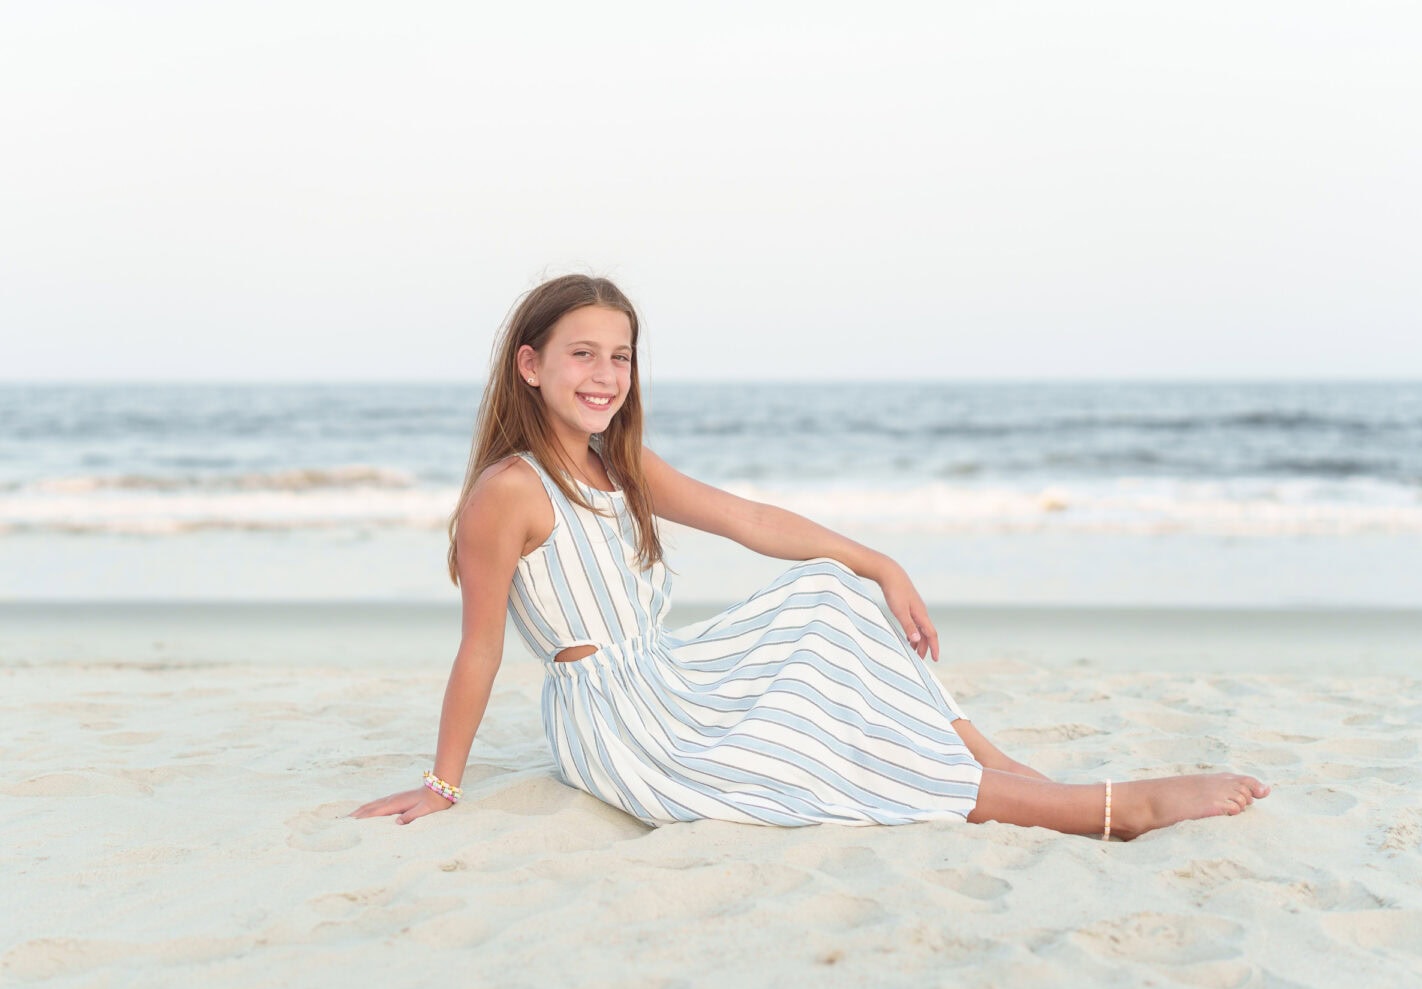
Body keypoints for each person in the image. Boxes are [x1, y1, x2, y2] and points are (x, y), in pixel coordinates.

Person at [353, 274, 1269, 838]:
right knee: (821, 751)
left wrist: (878, 563)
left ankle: (1011, 773)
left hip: (667, 672)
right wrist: (443, 784)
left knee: (827, 595)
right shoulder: (507, 493)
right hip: (620, 720)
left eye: (621, 358)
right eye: (581, 355)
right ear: (530, 366)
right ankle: (1107, 810)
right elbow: (477, 649)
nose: (604, 376)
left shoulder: (614, 463)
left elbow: (746, 517)